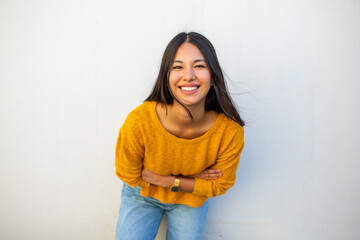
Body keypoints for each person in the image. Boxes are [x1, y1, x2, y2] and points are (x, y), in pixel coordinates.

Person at [114, 32, 245, 240]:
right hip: (142, 194)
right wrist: (192, 178)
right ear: (166, 77)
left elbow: (220, 184)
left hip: (191, 199)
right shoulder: (139, 121)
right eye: (178, 66)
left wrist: (164, 179)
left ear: (213, 77)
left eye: (199, 66)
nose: (188, 75)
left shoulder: (229, 131)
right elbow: (128, 173)